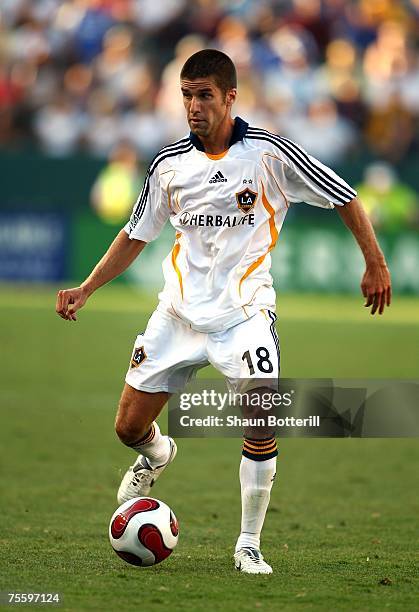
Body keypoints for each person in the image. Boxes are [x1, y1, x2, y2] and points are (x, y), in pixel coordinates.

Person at [56, 49, 391, 575]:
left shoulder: (269, 155)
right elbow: (135, 233)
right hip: (178, 317)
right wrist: (87, 287)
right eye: (187, 95)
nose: (193, 106)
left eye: (204, 95)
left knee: (261, 421)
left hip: (244, 316)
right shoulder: (168, 165)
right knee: (127, 428)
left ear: (230, 96)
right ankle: (158, 454)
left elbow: (346, 197)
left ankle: (248, 544)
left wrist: (374, 263)